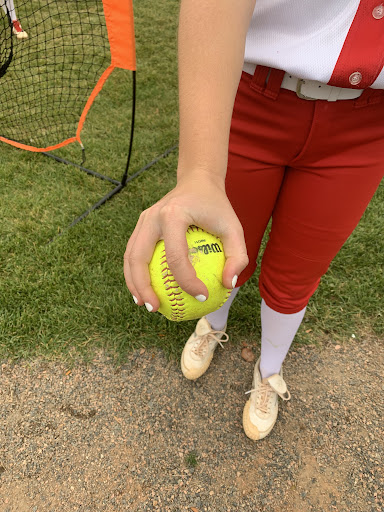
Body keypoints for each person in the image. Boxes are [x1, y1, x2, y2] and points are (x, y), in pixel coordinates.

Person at [124, 0, 384, 441]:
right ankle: (213, 324)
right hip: (253, 98)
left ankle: (269, 372)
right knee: (224, 251)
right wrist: (197, 173)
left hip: (365, 128)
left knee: (297, 274)